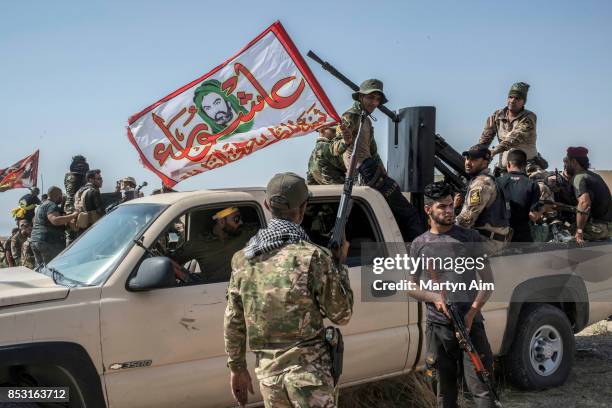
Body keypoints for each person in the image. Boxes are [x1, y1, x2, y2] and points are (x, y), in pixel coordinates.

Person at [224, 172, 353, 408]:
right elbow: (341, 315)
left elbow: (234, 320)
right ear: (303, 209)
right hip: (309, 376)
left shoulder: (243, 259)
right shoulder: (313, 257)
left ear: (266, 205)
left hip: (269, 377)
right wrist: (339, 265)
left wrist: (237, 368)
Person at [408, 181, 495, 408]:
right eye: (442, 207)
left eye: (450, 206)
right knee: (443, 392)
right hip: (438, 328)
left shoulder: (470, 238)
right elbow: (411, 286)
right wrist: (434, 298)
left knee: (482, 390)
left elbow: (488, 282)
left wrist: (472, 313)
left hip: (470, 325)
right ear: (428, 210)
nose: (449, 211)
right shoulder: (419, 244)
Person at [331, 78, 424, 241]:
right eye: (370, 97)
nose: (374, 102)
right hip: (363, 171)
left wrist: (384, 175)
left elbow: (373, 152)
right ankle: (420, 256)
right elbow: (335, 149)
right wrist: (345, 142)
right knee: (409, 213)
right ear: (360, 97)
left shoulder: (365, 119)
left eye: (377, 99)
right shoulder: (350, 116)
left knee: (392, 213)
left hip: (370, 170)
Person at [174, 207, 258, 283]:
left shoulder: (247, 232)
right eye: (236, 219)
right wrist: (185, 277)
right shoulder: (199, 243)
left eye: (241, 218)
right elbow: (170, 261)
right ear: (221, 222)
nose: (241, 222)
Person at [478, 82, 546, 176]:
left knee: (540, 187)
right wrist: (476, 153)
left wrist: (493, 152)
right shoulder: (497, 115)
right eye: (510, 97)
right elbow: (485, 139)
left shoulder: (529, 117)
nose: (512, 100)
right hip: (504, 169)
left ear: (523, 102)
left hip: (528, 168)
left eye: (517, 98)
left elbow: (513, 138)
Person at [456, 144, 511, 254]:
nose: (468, 162)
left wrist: (441, 229)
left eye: (474, 159)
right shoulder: (489, 179)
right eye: (467, 158)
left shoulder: (481, 183)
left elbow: (466, 220)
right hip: (494, 239)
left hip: (487, 243)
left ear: (485, 162)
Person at [563, 147, 612, 244]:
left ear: (574, 162)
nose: (565, 165)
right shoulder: (594, 176)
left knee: (560, 230)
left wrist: (579, 230)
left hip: (596, 229)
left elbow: (584, 203)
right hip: (608, 228)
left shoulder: (579, 177)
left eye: (567, 162)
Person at [497, 150, 542, 242]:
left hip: (498, 236)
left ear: (508, 164)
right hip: (522, 238)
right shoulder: (532, 184)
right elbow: (533, 216)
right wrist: (544, 209)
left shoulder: (496, 182)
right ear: (525, 165)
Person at [30, 186, 78, 268]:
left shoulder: (42, 205)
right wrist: (73, 215)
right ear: (57, 195)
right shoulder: (51, 205)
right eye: (61, 196)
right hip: (48, 242)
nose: (62, 198)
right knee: (52, 268)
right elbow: (55, 220)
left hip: (35, 240)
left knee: (40, 269)